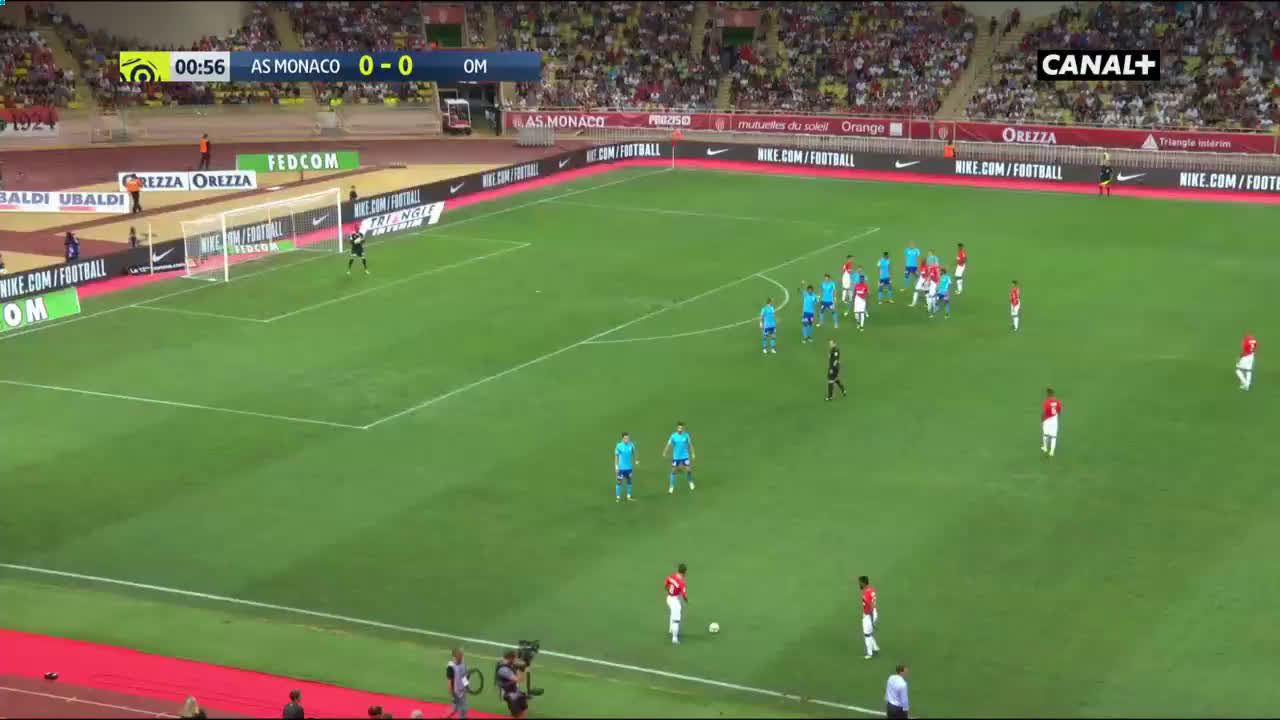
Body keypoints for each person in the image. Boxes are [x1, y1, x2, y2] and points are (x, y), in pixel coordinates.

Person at [662, 422, 695, 493]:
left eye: (681, 428)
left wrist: (692, 453)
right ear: (677, 428)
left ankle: (690, 482)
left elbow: (690, 444)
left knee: (688, 469)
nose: (680, 429)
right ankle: (671, 486)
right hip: (676, 457)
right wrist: (665, 451)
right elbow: (668, 444)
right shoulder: (673, 436)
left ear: (683, 428)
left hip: (685, 456)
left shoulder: (686, 435)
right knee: (673, 471)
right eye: (679, 428)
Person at [494, 650, 528, 718]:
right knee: (516, 715)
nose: (515, 660)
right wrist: (525, 672)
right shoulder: (504, 670)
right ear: (510, 658)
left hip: (514, 691)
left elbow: (517, 665)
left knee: (523, 708)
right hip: (509, 693)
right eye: (514, 658)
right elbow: (517, 679)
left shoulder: (507, 663)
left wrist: (523, 665)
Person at [664, 563, 688, 644]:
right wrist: (686, 600)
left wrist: (668, 591)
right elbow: (684, 595)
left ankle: (671, 630)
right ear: (685, 572)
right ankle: (674, 639)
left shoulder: (671, 576)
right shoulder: (682, 582)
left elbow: (666, 584)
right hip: (674, 601)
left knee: (672, 614)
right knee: (676, 620)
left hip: (669, 598)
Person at [859, 575, 880, 658]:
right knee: (869, 633)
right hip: (872, 613)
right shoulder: (871, 590)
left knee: (867, 635)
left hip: (869, 615)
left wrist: (871, 620)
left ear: (864, 583)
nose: (859, 584)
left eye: (860, 582)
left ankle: (869, 653)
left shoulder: (866, 593)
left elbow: (870, 606)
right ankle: (875, 648)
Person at [445, 648, 468, 719]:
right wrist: (452, 694)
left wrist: (466, 686)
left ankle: (444, 717)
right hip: (455, 692)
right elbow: (449, 682)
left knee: (455, 709)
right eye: (459, 656)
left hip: (462, 691)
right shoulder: (450, 667)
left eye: (461, 656)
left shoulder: (463, 665)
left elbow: (464, 677)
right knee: (462, 710)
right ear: (454, 657)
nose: (461, 657)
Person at [615, 432, 636, 501]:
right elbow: (616, 456)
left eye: (628, 438)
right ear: (622, 439)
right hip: (621, 468)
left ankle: (628, 496)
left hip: (629, 468)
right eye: (625, 438)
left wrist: (636, 460)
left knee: (629, 481)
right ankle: (618, 496)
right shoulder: (619, 446)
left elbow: (634, 452)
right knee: (619, 482)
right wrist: (616, 466)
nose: (627, 440)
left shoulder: (631, 445)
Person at [1042, 388, 1062, 457]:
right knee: (1053, 436)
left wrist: (1042, 419)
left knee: (1045, 434)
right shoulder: (1057, 402)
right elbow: (1059, 410)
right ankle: (1052, 452)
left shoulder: (1046, 402)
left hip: (1047, 420)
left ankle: (1045, 448)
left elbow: (1045, 412)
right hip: (1054, 420)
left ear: (1048, 394)